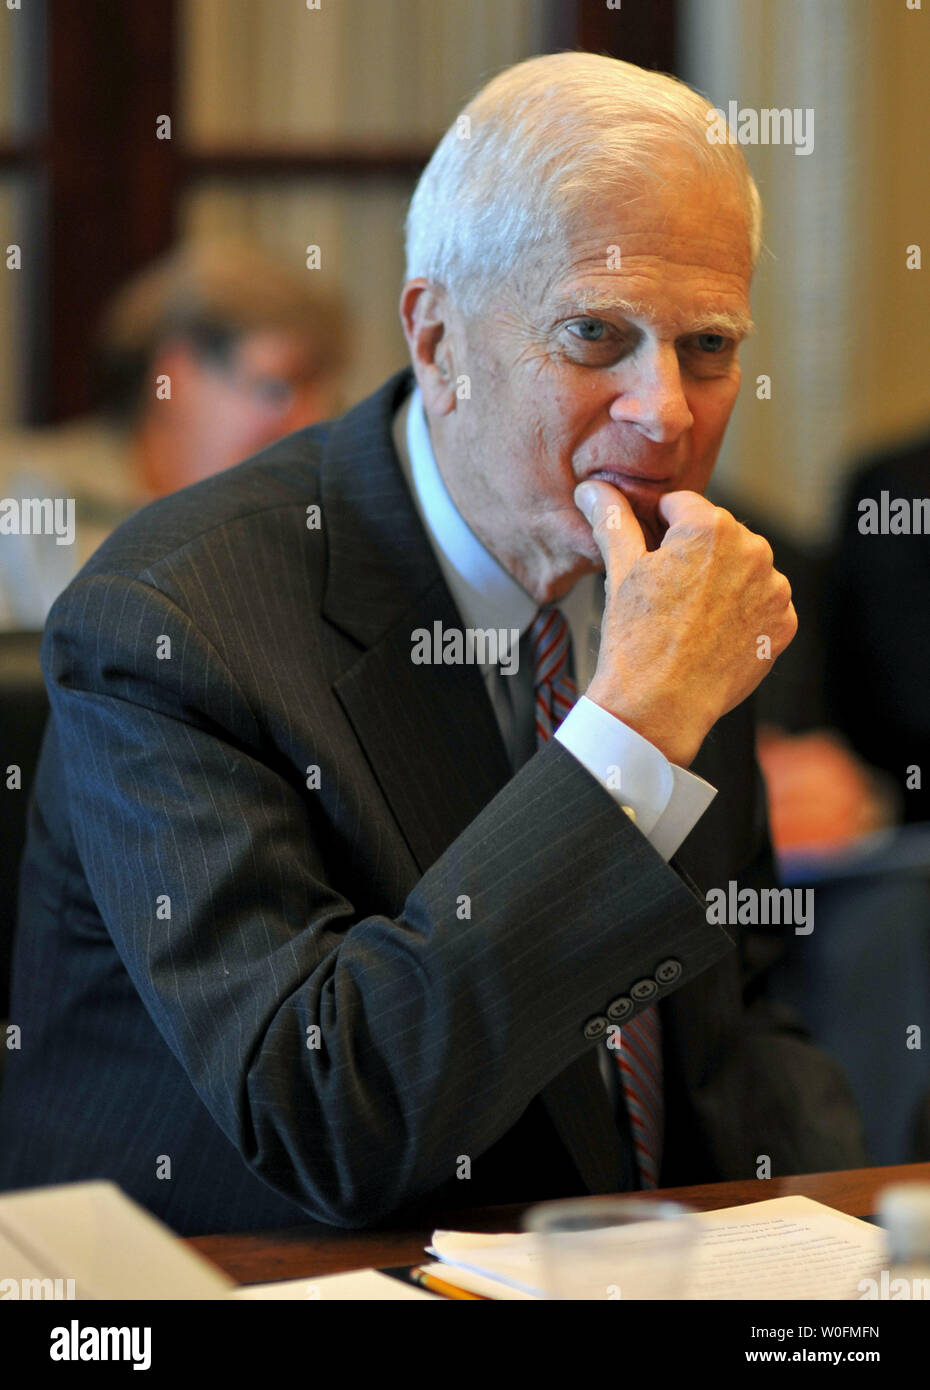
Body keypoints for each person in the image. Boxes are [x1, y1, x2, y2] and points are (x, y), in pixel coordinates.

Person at [0, 53, 867, 1237]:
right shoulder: (172, 619)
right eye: (595, 333)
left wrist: (849, 1259)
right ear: (439, 339)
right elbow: (323, 1106)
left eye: (708, 346)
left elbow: (735, 1024)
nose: (665, 409)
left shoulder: (680, 584)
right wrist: (633, 733)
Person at [0, 238, 348, 630]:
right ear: (175, 374)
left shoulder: (314, 527)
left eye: (323, 397)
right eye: (277, 389)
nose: (310, 422)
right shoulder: (29, 501)